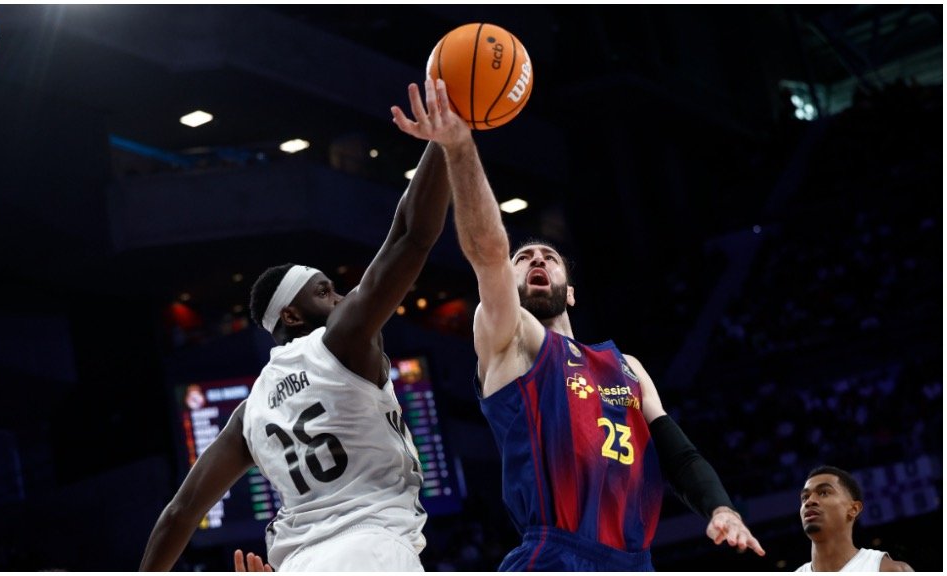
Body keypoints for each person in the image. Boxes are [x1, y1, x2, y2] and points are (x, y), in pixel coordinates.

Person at [394, 87, 766, 571]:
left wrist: (720, 507)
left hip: (632, 561)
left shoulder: (626, 367)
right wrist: (460, 147)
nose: (536, 260)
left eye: (548, 256)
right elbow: (487, 251)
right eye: (523, 258)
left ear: (570, 291)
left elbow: (677, 454)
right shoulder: (511, 339)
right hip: (556, 553)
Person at [140, 77, 462, 572]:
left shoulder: (249, 414)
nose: (338, 297)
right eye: (323, 290)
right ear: (291, 314)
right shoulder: (344, 340)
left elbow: (179, 515)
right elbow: (412, 237)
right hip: (371, 547)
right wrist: (446, 140)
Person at [796, 465, 913, 572]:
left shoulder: (889, 570)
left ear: (854, 509)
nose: (809, 501)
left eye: (824, 493)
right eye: (805, 497)